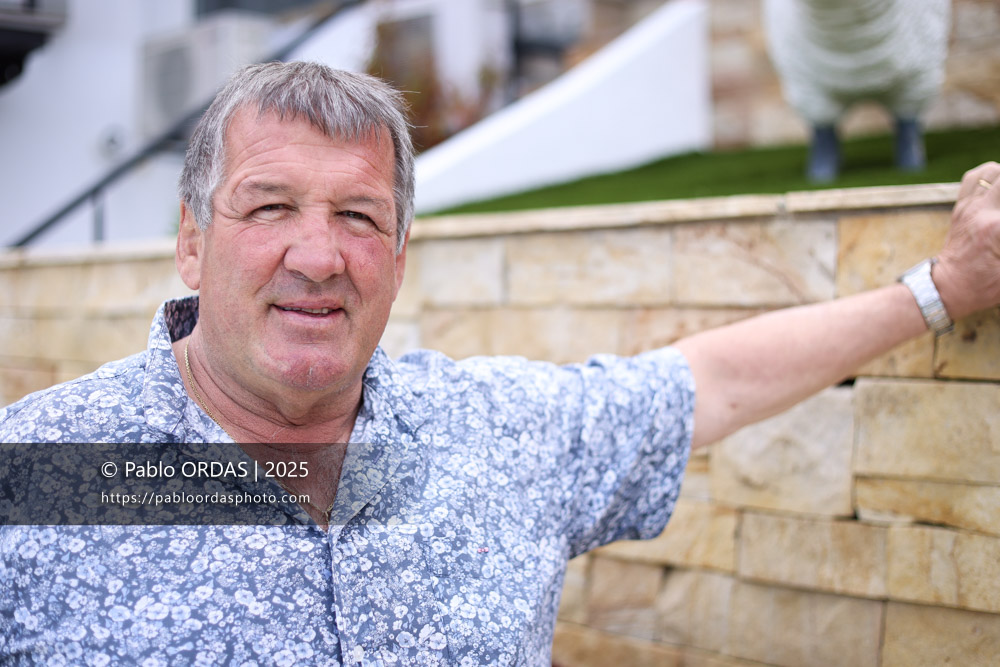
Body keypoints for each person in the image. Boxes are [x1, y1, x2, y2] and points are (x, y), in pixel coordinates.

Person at [0, 61, 998, 665]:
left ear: (397, 258)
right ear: (190, 241)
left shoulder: (495, 434)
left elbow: (706, 382)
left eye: (359, 217)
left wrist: (942, 288)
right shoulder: (37, 474)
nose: (318, 256)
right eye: (268, 208)